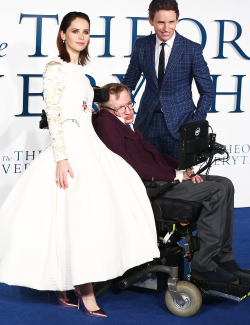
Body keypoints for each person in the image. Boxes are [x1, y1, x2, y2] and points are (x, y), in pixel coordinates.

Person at [0, 12, 160, 318]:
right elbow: (54, 116)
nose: (81, 36)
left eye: (86, 31)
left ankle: (71, 285)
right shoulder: (54, 68)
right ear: (63, 34)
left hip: (90, 146)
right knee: (75, 220)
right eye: (75, 31)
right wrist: (61, 158)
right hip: (69, 151)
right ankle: (84, 292)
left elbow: (88, 114)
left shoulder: (81, 71)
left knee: (114, 197)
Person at [93, 82, 250, 285]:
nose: (129, 110)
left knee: (226, 183)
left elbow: (153, 154)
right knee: (216, 190)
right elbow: (128, 166)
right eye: (122, 107)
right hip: (148, 189)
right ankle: (204, 266)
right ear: (105, 108)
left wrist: (182, 169)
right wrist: (174, 175)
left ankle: (224, 257)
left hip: (160, 180)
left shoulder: (125, 122)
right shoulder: (105, 124)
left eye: (130, 104)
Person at [122, 0, 215, 160]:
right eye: (161, 22)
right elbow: (129, 82)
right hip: (146, 123)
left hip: (180, 126)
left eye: (171, 22)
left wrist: (193, 124)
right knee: (144, 178)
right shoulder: (141, 45)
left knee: (180, 180)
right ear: (151, 21)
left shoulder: (191, 49)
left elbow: (207, 92)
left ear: (177, 20)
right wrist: (119, 107)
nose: (166, 28)